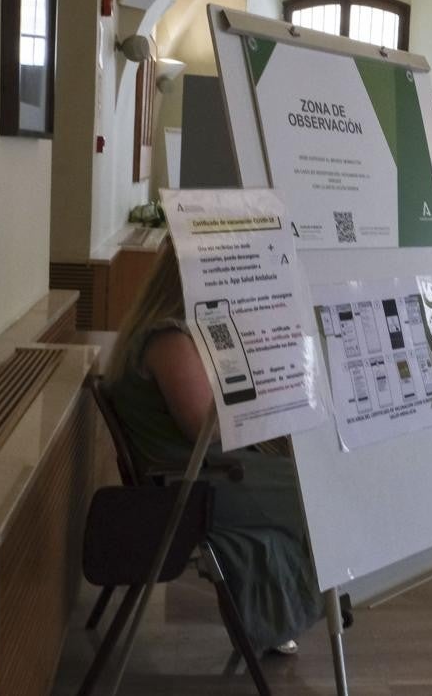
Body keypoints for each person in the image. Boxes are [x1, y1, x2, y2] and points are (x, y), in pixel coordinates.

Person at [106, 239, 324, 655]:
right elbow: (204, 425)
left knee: (313, 489)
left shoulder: (161, 332)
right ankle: (285, 609)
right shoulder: (168, 339)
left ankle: (280, 609)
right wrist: (272, 384)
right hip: (195, 489)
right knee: (318, 498)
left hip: (198, 477)